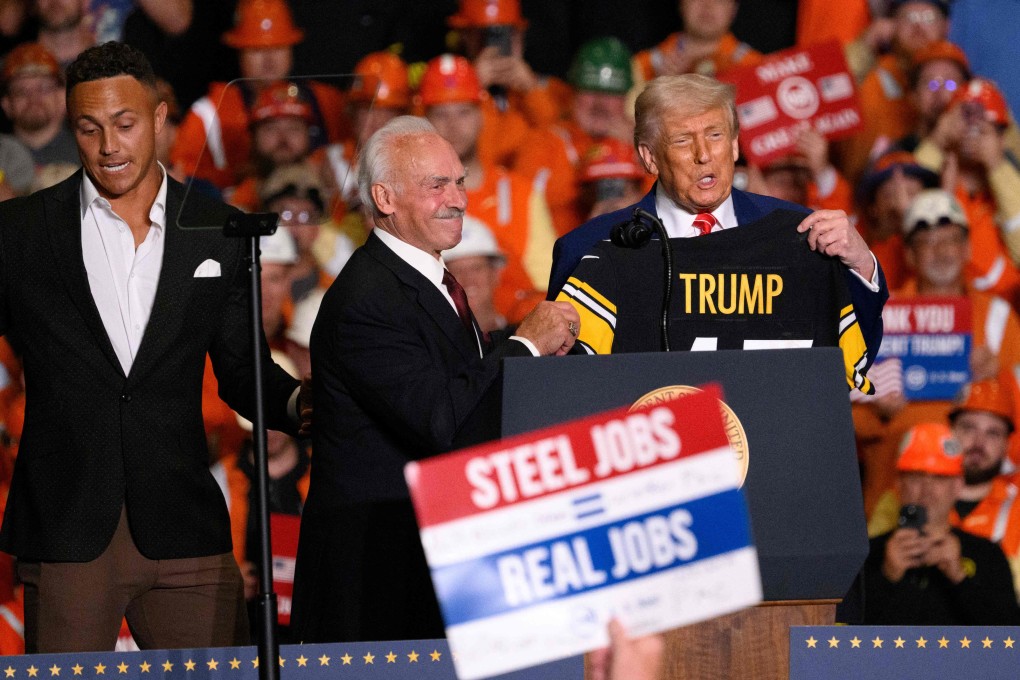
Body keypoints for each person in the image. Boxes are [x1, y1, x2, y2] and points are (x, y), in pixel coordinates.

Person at [0, 41, 303, 652]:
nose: (109, 146)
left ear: (160, 118)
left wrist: (305, 404)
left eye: (125, 124)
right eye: (89, 128)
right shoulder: (19, 232)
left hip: (185, 524)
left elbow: (242, 369)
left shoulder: (217, 229)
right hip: (67, 529)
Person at [290, 115, 579, 642]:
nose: (459, 199)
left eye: (460, 182)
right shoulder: (367, 301)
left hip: (432, 564)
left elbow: (457, 372)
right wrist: (526, 345)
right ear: (385, 198)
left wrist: (526, 345)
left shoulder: (426, 280)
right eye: (436, 185)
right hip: (378, 582)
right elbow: (443, 419)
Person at [549, 74, 888, 369]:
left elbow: (853, 358)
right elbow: (567, 385)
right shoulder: (589, 248)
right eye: (683, 140)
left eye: (715, 135)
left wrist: (862, 265)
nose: (704, 155)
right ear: (650, 158)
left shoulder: (800, 234)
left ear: (735, 145)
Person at [855, 189, 1020, 520]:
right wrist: (879, 412)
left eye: (950, 240)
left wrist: (995, 380)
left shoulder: (999, 317)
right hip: (892, 495)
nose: (941, 251)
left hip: (980, 504)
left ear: (967, 248)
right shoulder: (879, 316)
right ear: (910, 255)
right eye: (927, 242)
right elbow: (843, 419)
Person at [419, 53, 555, 324]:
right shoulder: (412, 199)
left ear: (482, 115)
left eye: (464, 112)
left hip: (512, 332)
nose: (453, 126)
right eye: (441, 114)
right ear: (424, 121)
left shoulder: (521, 193)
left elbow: (548, 285)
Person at [860, 422, 1020, 625]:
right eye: (916, 476)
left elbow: (1009, 634)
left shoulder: (987, 554)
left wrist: (959, 577)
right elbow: (846, 634)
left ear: (957, 486)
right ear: (899, 484)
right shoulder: (868, 554)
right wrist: (887, 576)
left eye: (939, 478)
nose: (927, 489)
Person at [632, 0, 760, 83]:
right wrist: (658, 89)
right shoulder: (642, 66)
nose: (708, 5)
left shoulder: (755, 66)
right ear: (682, 4)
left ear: (733, 9)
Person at [0, 41, 79, 168]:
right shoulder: (3, 156)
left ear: (62, 97)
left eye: (43, 88)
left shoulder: (86, 154)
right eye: (21, 91)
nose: (33, 98)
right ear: (6, 104)